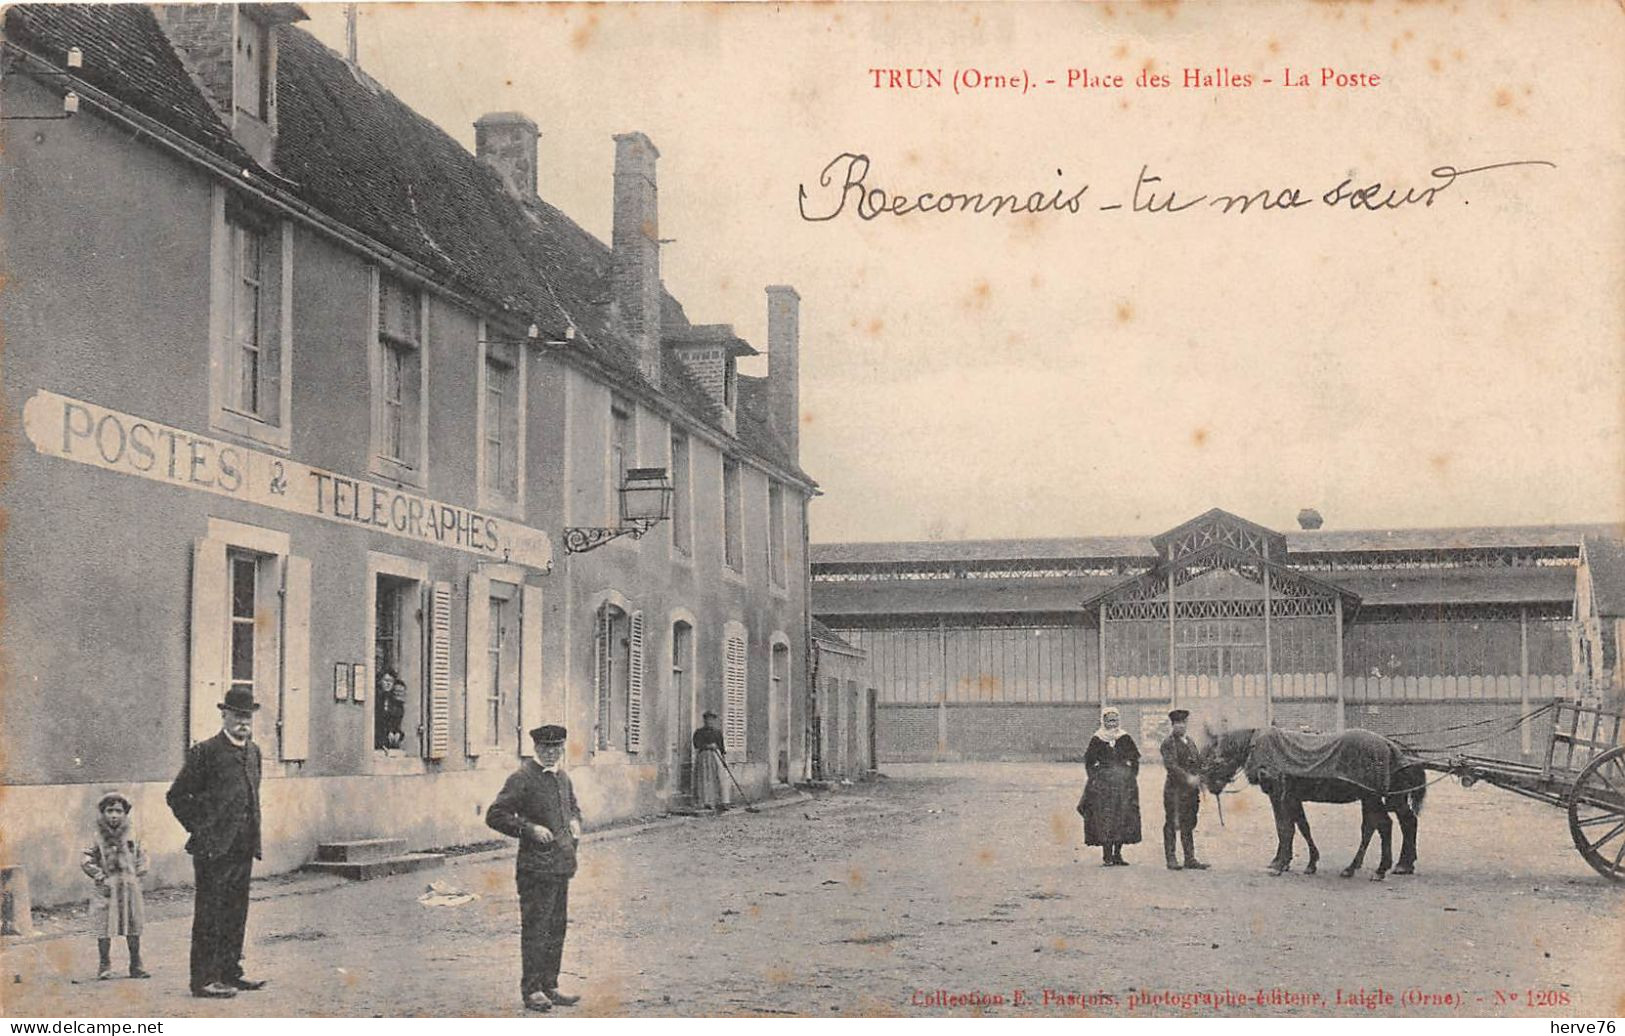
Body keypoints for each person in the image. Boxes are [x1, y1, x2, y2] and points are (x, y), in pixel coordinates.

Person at [166, 686, 266, 999]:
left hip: (243, 845)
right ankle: (204, 979)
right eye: (237, 715)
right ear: (224, 715)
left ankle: (230, 973)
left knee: (236, 911)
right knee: (210, 912)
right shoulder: (205, 752)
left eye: (247, 716)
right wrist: (203, 829)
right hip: (213, 848)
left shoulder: (254, 752)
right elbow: (177, 796)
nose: (243, 722)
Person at [486, 724, 585, 1013]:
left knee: (556, 928)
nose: (552, 753)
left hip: (560, 866)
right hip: (534, 868)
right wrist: (528, 829)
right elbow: (495, 815)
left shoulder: (563, 778)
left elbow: (573, 808)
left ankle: (550, 985)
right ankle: (532, 990)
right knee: (536, 928)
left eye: (557, 748)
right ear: (536, 748)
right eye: (546, 748)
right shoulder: (522, 778)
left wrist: (576, 822)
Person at [81, 791, 150, 980]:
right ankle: (104, 964)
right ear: (103, 813)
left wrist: (138, 873)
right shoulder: (97, 836)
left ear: (125, 814)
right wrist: (99, 875)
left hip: (128, 886)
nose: (114, 815)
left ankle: (136, 963)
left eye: (118, 811)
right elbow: (86, 859)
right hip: (106, 887)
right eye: (109, 811)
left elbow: (143, 857)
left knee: (133, 923)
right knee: (103, 924)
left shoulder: (133, 835)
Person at [1076, 705, 1141, 866]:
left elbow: (1135, 760)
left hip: (1123, 785)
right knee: (1105, 818)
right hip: (1103, 786)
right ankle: (1107, 855)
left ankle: (1118, 854)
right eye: (1109, 720)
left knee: (1122, 817)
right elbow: (1089, 762)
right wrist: (1094, 778)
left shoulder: (1124, 737)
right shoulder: (1097, 738)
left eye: (1115, 720)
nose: (1112, 723)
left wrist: (1131, 776)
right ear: (1103, 721)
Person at [1161, 709, 1210, 871]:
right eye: (1177, 723)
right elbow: (1171, 766)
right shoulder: (1168, 743)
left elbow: (1198, 762)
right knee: (1172, 822)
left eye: (1183, 723)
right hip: (1175, 791)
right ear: (1172, 725)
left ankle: (1190, 858)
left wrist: (1203, 775)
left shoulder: (1190, 741)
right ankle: (1171, 858)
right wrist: (1188, 778)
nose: (1180, 726)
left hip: (1190, 792)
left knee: (1189, 822)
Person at [692, 711, 729, 813]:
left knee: (717, 778)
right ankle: (704, 802)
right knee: (704, 779)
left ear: (714, 720)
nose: (709, 721)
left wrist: (724, 760)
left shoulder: (717, 733)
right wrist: (707, 746)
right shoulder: (699, 732)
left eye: (712, 719)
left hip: (715, 757)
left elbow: (722, 748)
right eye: (707, 719)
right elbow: (696, 744)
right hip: (703, 756)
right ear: (704, 720)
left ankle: (718, 802)